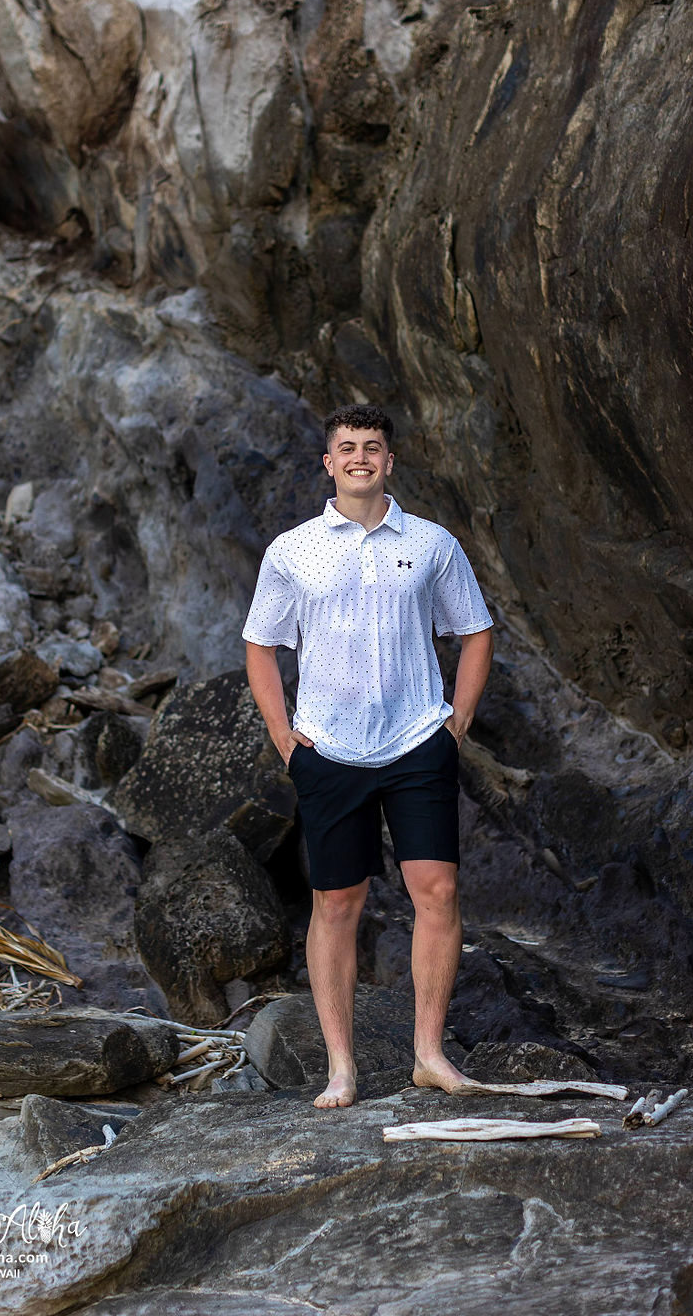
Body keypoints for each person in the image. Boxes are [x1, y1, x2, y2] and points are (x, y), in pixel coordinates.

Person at [243, 403, 494, 1109]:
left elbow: (475, 631)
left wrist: (457, 724)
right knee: (337, 902)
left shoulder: (433, 543)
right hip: (329, 749)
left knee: (437, 893)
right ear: (328, 463)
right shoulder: (292, 552)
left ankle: (428, 1056)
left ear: (390, 460)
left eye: (373, 447)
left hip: (418, 741)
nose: (360, 457)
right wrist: (283, 737)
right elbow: (260, 644)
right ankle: (342, 1070)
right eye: (346, 447)